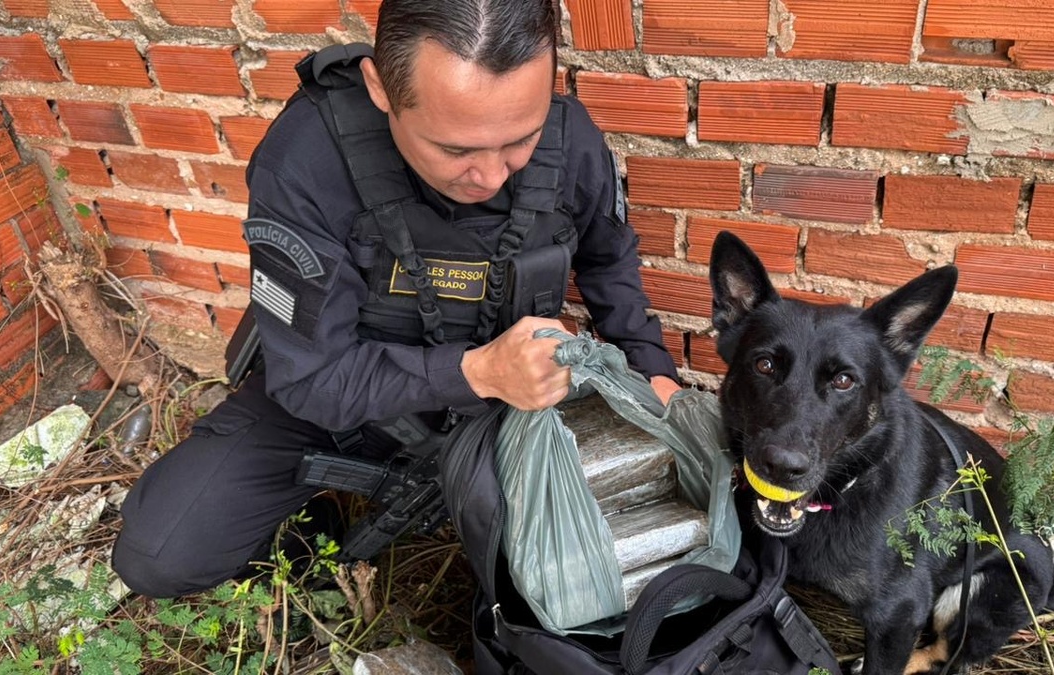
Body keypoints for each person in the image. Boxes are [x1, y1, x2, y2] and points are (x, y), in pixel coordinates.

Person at [111, 0, 682, 598]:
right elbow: (310, 379)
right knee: (161, 553)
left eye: (520, 140)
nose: (491, 176)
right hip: (345, 404)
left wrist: (650, 370)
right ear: (381, 89)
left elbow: (606, 257)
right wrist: (476, 370)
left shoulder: (571, 142)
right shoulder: (305, 160)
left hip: (512, 409)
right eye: (455, 150)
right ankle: (308, 541)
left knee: (578, 583)